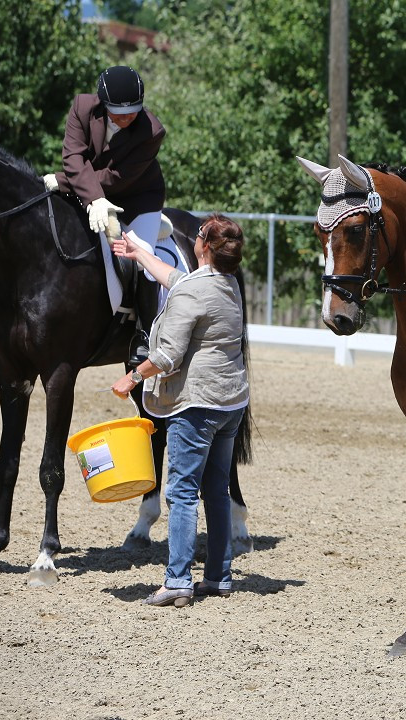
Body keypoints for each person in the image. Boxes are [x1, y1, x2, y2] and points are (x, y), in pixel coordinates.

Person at [111, 214, 249, 608]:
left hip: (197, 405)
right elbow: (175, 279)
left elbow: (168, 355)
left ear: (202, 246)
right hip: (230, 403)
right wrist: (140, 254)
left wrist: (132, 378)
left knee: (182, 493)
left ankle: (177, 580)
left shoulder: (194, 291)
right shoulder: (228, 283)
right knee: (216, 491)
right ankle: (219, 577)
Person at [43, 65, 167, 366]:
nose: (126, 118)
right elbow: (73, 156)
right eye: (118, 112)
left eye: (133, 111)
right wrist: (92, 196)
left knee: (143, 260)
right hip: (90, 194)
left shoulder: (152, 130)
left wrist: (65, 182)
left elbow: (117, 177)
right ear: (102, 102)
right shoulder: (82, 107)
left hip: (137, 200)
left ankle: (145, 335)